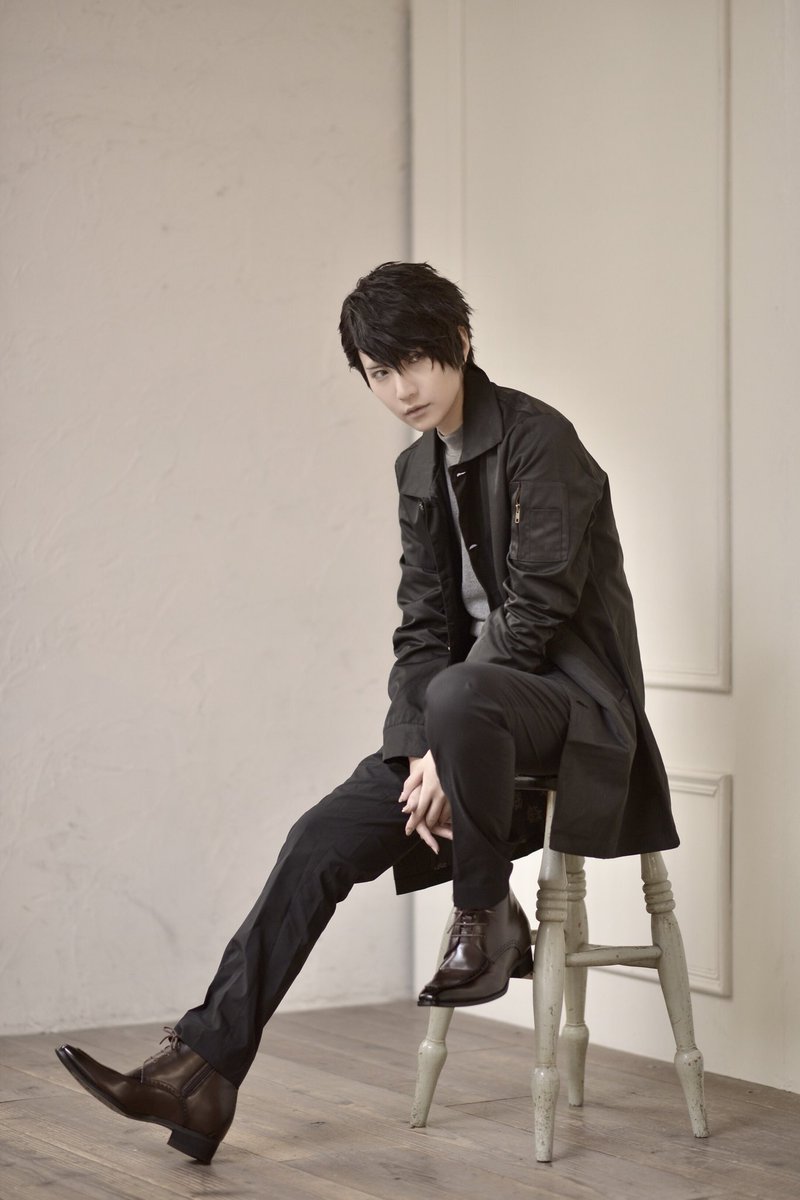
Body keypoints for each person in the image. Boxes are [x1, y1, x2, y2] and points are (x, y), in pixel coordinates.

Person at [55, 261, 678, 1164]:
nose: (401, 389)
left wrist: (445, 736)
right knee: (319, 838)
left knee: (460, 693)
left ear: (460, 342)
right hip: (461, 725)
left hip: (572, 711)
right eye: (379, 372)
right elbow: (421, 632)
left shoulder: (543, 441)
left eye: (414, 361)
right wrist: (424, 747)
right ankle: (200, 1072)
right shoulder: (417, 468)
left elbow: (537, 610)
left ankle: (483, 914)